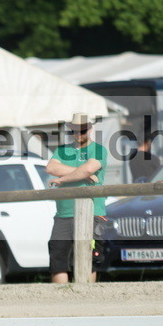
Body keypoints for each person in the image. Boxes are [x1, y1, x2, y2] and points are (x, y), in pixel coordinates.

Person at [46, 113, 108, 283]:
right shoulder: (62, 150)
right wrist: (81, 174)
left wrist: (63, 179)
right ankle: (61, 303)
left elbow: (88, 169)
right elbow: (50, 168)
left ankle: (85, 299)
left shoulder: (99, 149)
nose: (78, 134)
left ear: (89, 129)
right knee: (58, 259)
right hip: (64, 213)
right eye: (74, 131)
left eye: (82, 130)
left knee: (89, 258)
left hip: (92, 211)